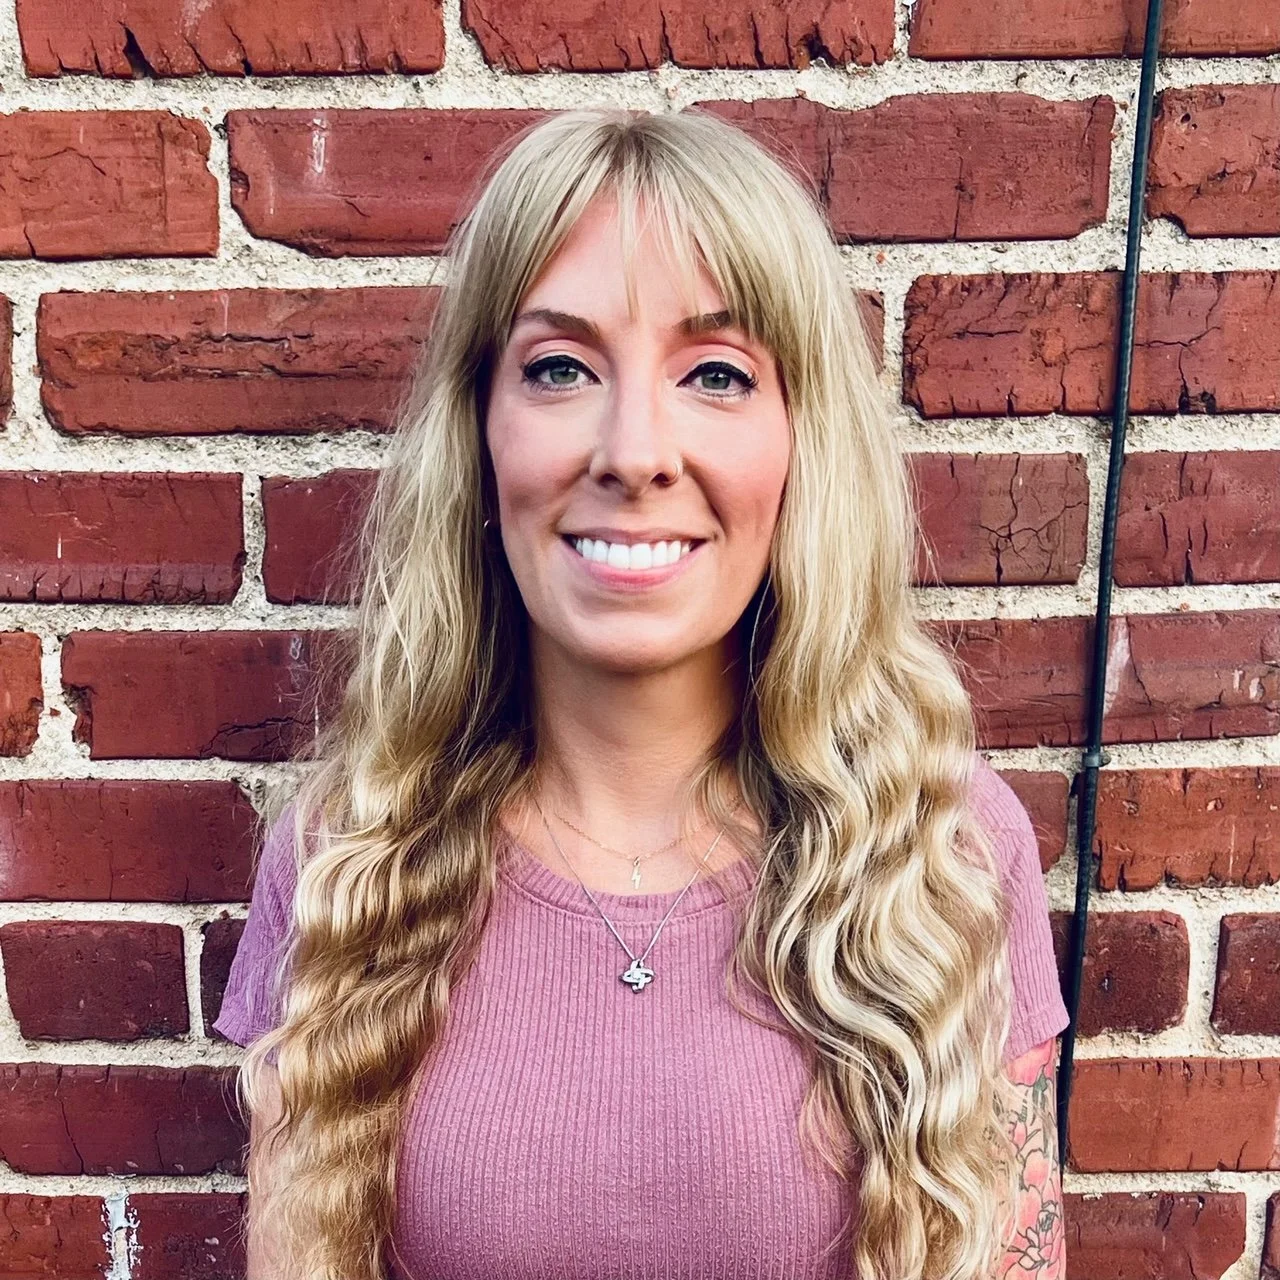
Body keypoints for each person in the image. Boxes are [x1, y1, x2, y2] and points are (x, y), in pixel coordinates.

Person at [213, 106, 1071, 1280]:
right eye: (558, 366)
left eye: (715, 373)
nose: (633, 449)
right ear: (480, 432)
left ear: (797, 440)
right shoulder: (344, 860)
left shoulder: (946, 850)